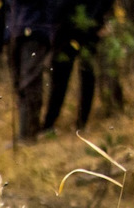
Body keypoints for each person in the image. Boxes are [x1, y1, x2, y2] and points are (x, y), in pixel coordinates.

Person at [42, 0, 117, 132]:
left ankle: (81, 123)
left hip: (88, 28)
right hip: (65, 28)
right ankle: (50, 123)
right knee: (60, 76)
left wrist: (99, 20)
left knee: (86, 75)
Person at [8, 0, 68, 138]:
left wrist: (47, 27)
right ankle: (26, 131)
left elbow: (55, 6)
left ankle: (28, 133)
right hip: (17, 31)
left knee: (30, 82)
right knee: (20, 83)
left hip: (36, 31)